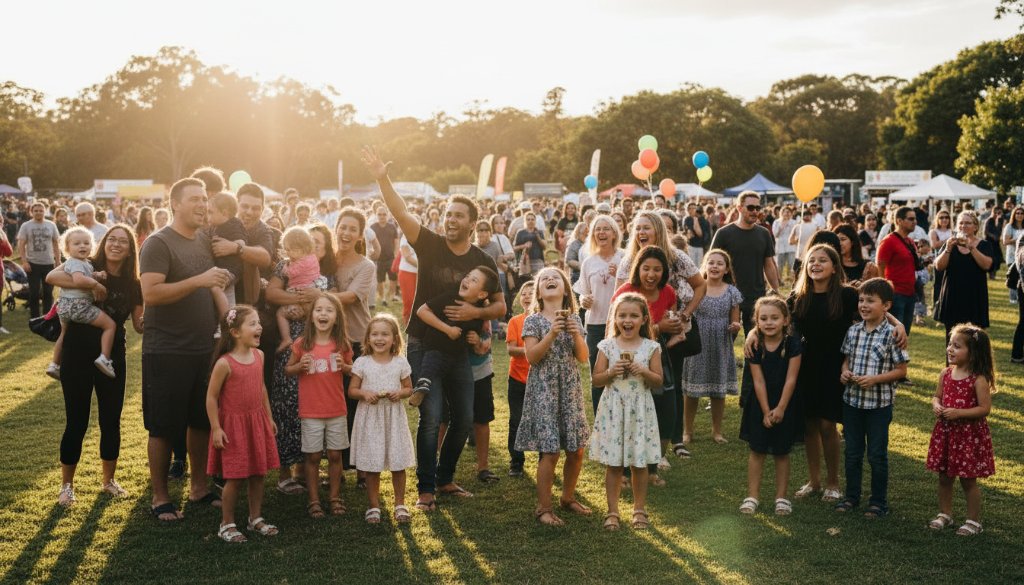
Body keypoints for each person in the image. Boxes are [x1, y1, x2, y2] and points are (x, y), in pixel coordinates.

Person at [362, 146, 505, 511]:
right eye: (447, 214)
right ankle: (426, 489)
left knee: (464, 421)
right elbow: (400, 210)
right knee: (432, 418)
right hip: (424, 344)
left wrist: (475, 311)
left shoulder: (482, 259)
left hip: (460, 350)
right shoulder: (429, 244)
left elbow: (502, 306)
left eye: (459, 215)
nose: (451, 219)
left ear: (473, 223)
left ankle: (446, 480)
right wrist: (382, 177)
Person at [140, 177, 232, 522]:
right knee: (163, 426)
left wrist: (230, 318)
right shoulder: (158, 243)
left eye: (204, 199)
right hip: (166, 349)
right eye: (194, 198)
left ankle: (199, 488)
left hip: (202, 347)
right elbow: (151, 293)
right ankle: (161, 498)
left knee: (200, 420)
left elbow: (212, 287)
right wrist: (200, 280)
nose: (202, 204)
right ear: (174, 203)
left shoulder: (203, 242)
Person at [47, 225, 143, 507]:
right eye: (111, 239)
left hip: (112, 356)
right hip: (76, 351)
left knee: (111, 420)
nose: (116, 245)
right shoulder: (88, 264)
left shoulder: (133, 283)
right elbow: (53, 276)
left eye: (122, 242)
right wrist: (92, 284)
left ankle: (108, 481)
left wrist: (155, 322)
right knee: (76, 420)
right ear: (103, 243)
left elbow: (138, 323)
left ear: (130, 248)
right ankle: (67, 486)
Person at [266, 223, 339, 495]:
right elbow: (271, 293)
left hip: (315, 341)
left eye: (319, 242)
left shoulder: (326, 276)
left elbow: (330, 306)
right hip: (291, 342)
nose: (315, 246)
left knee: (310, 407)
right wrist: (295, 299)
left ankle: (303, 470)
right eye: (312, 241)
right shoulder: (284, 266)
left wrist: (315, 300)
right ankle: (284, 472)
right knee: (286, 404)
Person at [516, 267, 590, 526]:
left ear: (565, 289)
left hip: (569, 389)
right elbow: (532, 357)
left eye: (555, 278)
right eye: (544, 278)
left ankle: (567, 498)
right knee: (550, 451)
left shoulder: (575, 318)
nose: (549, 279)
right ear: (538, 291)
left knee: (576, 449)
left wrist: (574, 333)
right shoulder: (533, 320)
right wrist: (553, 333)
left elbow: (582, 357)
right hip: (545, 389)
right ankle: (544, 508)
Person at [836, 279, 910, 518]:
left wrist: (875, 379)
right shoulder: (853, 331)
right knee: (852, 452)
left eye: (870, 301)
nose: (864, 305)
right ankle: (851, 497)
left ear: (886, 305)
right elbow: (846, 359)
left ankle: (878, 502)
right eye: (861, 300)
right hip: (853, 402)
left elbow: (901, 371)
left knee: (877, 454)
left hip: (879, 405)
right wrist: (844, 372)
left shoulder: (892, 334)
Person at [589, 293, 663, 531]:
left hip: (639, 410)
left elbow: (658, 381)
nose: (627, 320)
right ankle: (612, 512)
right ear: (615, 319)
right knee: (614, 464)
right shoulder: (606, 346)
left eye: (633, 315)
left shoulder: (651, 347)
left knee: (639, 463)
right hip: (614, 410)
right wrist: (611, 372)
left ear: (643, 319)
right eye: (622, 315)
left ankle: (639, 510)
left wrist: (643, 371)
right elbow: (596, 380)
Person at [206, 305, 280, 543]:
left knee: (258, 473)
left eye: (259, 323)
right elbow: (211, 397)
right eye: (252, 324)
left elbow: (262, 389)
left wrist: (268, 418)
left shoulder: (260, 356)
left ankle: (255, 518)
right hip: (233, 428)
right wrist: (216, 427)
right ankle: (226, 524)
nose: (259, 327)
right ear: (236, 332)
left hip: (256, 421)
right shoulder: (225, 363)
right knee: (235, 477)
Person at [284, 293, 353, 519]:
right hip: (311, 411)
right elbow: (288, 369)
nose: (323, 314)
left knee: (335, 455)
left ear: (336, 317)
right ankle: (313, 500)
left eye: (329, 310)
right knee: (312, 457)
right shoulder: (302, 344)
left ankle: (334, 497)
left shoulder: (342, 344)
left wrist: (345, 367)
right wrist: (300, 365)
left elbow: (353, 370)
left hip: (336, 409)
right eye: (319, 310)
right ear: (312, 316)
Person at [926, 324, 995, 536]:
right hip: (946, 434)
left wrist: (959, 413)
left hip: (967, 437)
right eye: (949, 344)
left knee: (967, 479)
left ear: (972, 352)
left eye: (957, 346)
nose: (950, 349)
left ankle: (973, 521)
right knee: (944, 476)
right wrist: (936, 405)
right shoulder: (946, 374)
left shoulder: (978, 379)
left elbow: (985, 409)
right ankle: (945, 514)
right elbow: (937, 396)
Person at [348, 314, 417, 524]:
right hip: (370, 418)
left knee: (398, 462)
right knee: (372, 463)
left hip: (393, 417)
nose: (380, 339)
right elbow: (352, 390)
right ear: (367, 339)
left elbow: (409, 388)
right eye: (375, 334)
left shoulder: (400, 362)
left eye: (385, 334)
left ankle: (400, 504)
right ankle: (374, 506)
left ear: (394, 339)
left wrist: (400, 393)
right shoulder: (362, 362)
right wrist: (365, 394)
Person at [738, 296, 802, 516]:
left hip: (786, 402)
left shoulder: (793, 344)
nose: (769, 322)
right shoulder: (755, 345)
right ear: (756, 321)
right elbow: (758, 380)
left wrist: (781, 408)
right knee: (757, 451)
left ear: (785, 320)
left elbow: (791, 379)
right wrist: (766, 411)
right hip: (759, 404)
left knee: (782, 452)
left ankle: (781, 497)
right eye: (763, 318)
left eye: (774, 318)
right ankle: (753, 495)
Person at [410, 266, 499, 405]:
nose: (467, 280)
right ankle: (422, 385)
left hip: (458, 356)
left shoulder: (480, 311)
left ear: (482, 294)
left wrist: (475, 339)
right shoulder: (451, 297)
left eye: (473, 280)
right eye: (468, 276)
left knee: (460, 397)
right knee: (432, 362)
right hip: (437, 346)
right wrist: (447, 329)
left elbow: (474, 331)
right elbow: (421, 311)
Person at [681, 250, 742, 445]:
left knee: (718, 390)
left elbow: (735, 320)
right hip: (698, 343)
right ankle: (687, 431)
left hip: (720, 344)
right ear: (705, 266)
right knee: (692, 391)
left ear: (726, 269)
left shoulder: (732, 292)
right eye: (711, 262)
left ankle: (717, 431)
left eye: (719, 264)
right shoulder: (696, 289)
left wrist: (735, 326)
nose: (715, 266)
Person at [46, 227, 117, 380]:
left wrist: (96, 275)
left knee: (63, 334)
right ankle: (104, 358)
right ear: (67, 248)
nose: (82, 246)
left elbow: (85, 276)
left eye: (86, 243)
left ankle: (54, 364)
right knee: (110, 325)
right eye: (77, 243)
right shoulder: (76, 263)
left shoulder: (81, 263)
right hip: (78, 306)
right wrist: (97, 285)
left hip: (64, 308)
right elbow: (79, 280)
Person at [710, 191, 779, 334]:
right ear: (739, 208)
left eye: (757, 208)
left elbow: (769, 265)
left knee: (755, 342)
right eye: (750, 208)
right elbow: (710, 263)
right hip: (727, 295)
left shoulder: (764, 233)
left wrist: (776, 290)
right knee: (725, 339)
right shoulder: (724, 233)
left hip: (756, 295)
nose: (755, 211)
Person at [575, 215, 624, 412]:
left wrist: (619, 274)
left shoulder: (624, 258)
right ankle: (600, 419)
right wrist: (583, 300)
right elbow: (583, 293)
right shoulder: (588, 262)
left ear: (614, 233)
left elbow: (634, 290)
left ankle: (620, 415)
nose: (601, 232)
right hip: (595, 324)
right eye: (597, 229)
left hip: (622, 323)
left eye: (606, 229)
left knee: (621, 371)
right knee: (598, 373)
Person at [934, 211, 993, 342]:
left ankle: (973, 363)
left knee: (974, 339)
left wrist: (971, 248)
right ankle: (952, 363)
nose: (963, 226)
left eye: (968, 223)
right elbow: (939, 266)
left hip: (974, 296)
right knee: (952, 338)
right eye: (960, 223)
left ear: (975, 227)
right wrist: (948, 249)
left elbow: (987, 265)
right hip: (953, 297)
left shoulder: (984, 245)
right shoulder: (950, 244)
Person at [275, 227, 324, 352]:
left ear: (302, 249)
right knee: (310, 315)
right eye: (286, 250)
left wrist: (286, 265)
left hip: (301, 291)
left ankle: (286, 338)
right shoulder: (313, 258)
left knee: (280, 313)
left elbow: (290, 273)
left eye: (290, 250)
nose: (288, 254)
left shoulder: (300, 263)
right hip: (310, 291)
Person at [505, 280, 534, 477]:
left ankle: (545, 459)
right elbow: (511, 350)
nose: (527, 296)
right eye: (524, 292)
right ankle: (516, 462)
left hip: (539, 379)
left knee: (541, 420)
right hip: (517, 379)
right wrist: (532, 350)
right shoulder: (515, 321)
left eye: (532, 293)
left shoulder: (543, 321)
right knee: (516, 420)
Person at [876, 206, 920, 335]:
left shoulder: (910, 241)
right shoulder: (889, 241)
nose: (915, 222)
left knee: (904, 335)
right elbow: (880, 266)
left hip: (910, 293)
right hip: (895, 294)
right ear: (899, 221)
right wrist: (885, 292)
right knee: (893, 336)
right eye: (910, 219)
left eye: (915, 218)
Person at [16, 201, 60, 318]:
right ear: (31, 212)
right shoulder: (26, 226)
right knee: (34, 293)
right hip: (32, 264)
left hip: (49, 264)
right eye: (36, 210)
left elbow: (56, 244)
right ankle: (34, 317)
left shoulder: (51, 225)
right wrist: (24, 262)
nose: (38, 212)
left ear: (45, 211)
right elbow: (21, 245)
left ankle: (47, 317)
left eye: (41, 210)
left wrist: (58, 261)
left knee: (48, 292)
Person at [207, 192, 247, 307]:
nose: (208, 216)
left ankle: (226, 317)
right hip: (222, 268)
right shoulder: (215, 226)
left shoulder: (234, 224)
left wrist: (232, 246)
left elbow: (242, 242)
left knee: (216, 287)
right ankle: (228, 315)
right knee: (226, 291)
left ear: (224, 213)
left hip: (231, 269)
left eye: (211, 212)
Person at [371, 207, 400, 306]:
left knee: (393, 278)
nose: (382, 216)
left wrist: (396, 254)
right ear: (376, 215)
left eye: (384, 214)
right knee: (380, 279)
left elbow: (396, 241)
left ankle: (392, 296)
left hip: (391, 257)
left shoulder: (392, 227)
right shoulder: (373, 227)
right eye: (379, 214)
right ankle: (383, 298)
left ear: (387, 215)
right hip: (378, 259)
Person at [513, 212, 546, 279]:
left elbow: (544, 246)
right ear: (525, 221)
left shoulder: (539, 232)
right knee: (525, 280)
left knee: (537, 280)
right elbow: (514, 248)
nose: (530, 221)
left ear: (535, 221)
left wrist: (538, 236)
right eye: (528, 219)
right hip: (524, 261)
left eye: (532, 219)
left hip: (537, 261)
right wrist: (523, 246)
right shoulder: (520, 232)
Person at [1003, 207, 1024, 302]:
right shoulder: (1009, 226)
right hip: (1012, 256)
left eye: (1021, 213)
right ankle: (1013, 298)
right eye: (1017, 213)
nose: (1019, 215)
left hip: (1022, 257)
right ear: (1014, 215)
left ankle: (1020, 297)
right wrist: (1018, 240)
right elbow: (1005, 241)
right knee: (1013, 276)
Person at [772, 207, 797, 283]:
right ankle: (779, 281)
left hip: (791, 247)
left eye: (788, 212)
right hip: (780, 247)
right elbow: (775, 235)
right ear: (781, 213)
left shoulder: (794, 222)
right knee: (780, 265)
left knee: (791, 264)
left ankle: (792, 281)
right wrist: (781, 226)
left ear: (791, 213)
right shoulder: (777, 222)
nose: (786, 213)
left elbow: (796, 234)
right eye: (785, 212)